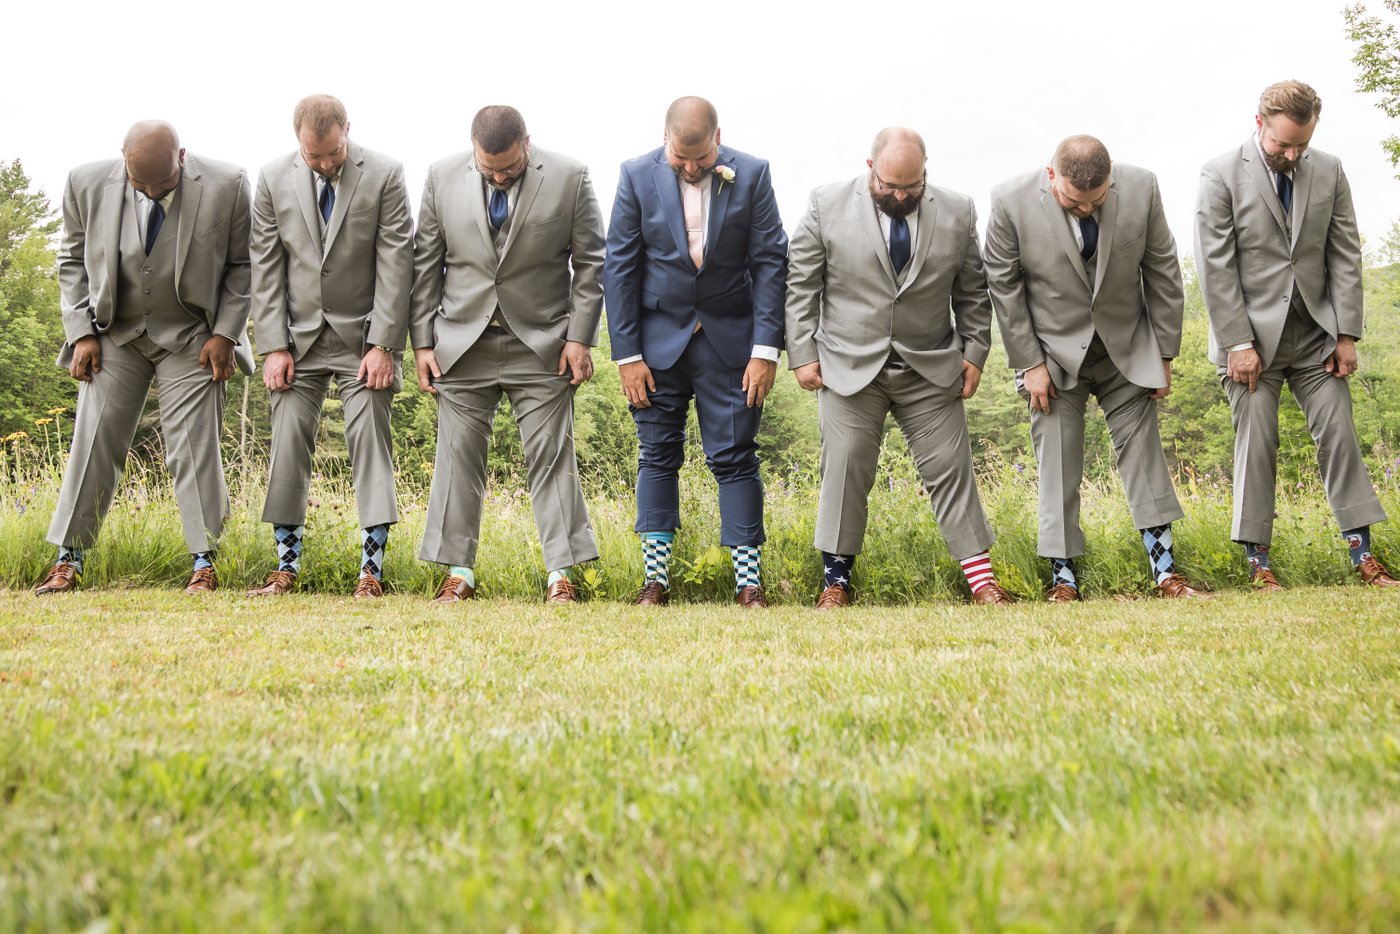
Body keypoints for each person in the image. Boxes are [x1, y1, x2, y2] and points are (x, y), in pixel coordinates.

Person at [785, 127, 1012, 609]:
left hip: (930, 365)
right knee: (844, 467)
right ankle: (836, 583)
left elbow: (973, 291)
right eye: (890, 186)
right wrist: (802, 353)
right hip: (846, 366)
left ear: (926, 171)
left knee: (952, 469)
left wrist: (974, 352)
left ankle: (982, 583)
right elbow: (801, 284)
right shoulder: (826, 204)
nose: (902, 195)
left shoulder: (959, 210)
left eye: (912, 185)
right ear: (871, 168)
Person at [984, 135, 1209, 601]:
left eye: (1098, 199)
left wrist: (1164, 353)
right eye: (1073, 200)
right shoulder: (1009, 200)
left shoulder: (1143, 187)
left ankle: (1166, 573)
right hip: (1050, 357)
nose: (1086, 209)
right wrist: (1029, 364)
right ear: (1052, 175)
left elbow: (1163, 269)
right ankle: (1064, 581)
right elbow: (1004, 289)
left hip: (1126, 348)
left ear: (1111, 180)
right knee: (1058, 463)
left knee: (1146, 458)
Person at [1195, 79, 1398, 590]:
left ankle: (1363, 557)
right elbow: (1214, 267)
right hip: (1250, 346)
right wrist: (1238, 343)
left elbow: (1344, 251)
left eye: (1301, 146)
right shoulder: (1219, 174)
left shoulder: (1329, 169)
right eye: (1282, 144)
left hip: (1316, 338)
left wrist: (1346, 333)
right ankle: (1259, 567)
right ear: (1258, 123)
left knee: (1341, 437)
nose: (1292, 154)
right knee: (1257, 444)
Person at [35, 120, 252, 596]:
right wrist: (81, 334)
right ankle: (67, 561)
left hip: (194, 335)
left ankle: (204, 563)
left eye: (164, 183)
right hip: (116, 333)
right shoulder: (84, 182)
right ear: (123, 160)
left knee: (193, 448)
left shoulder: (229, 183)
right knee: (94, 442)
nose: (153, 193)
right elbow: (71, 261)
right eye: (141, 184)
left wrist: (226, 333)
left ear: (182, 157)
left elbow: (243, 266)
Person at [411, 105, 605, 604]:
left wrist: (579, 339)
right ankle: (459, 573)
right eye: (488, 168)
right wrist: (422, 344)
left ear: (527, 143)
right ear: (473, 149)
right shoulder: (438, 177)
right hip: (460, 343)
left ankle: (561, 575)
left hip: (542, 342)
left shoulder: (570, 177)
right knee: (457, 458)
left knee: (552, 457)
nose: (498, 177)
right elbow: (425, 265)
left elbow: (590, 265)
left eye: (509, 168)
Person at [604, 96, 788, 607]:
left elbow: (772, 261)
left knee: (735, 457)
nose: (690, 169)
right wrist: (627, 356)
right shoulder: (636, 175)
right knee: (657, 455)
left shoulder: (752, 174)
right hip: (655, 346)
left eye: (701, 160)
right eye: (680, 159)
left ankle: (749, 584)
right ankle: (654, 582)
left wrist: (765, 349)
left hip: (732, 341)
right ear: (665, 140)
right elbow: (619, 266)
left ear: (717, 139)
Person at [247, 94, 413, 599]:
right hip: (295, 344)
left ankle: (371, 572)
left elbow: (396, 262)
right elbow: (266, 264)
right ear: (298, 141)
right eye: (312, 155)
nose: (323, 164)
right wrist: (272, 344)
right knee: (288, 444)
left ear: (347, 130)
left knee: (369, 444)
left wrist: (384, 343)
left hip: (364, 342)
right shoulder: (272, 178)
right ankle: (285, 569)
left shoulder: (384, 173)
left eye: (332, 153)